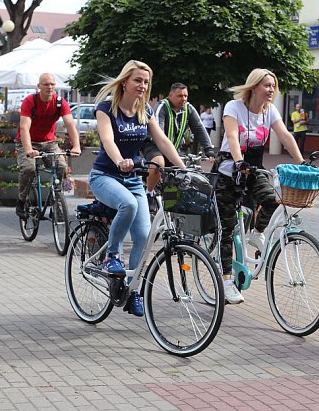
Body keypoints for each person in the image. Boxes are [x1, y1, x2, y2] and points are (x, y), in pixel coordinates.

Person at [89, 60, 185, 317]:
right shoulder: (106, 108)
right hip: (105, 175)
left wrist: (183, 167)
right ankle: (112, 255)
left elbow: (162, 141)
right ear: (124, 82)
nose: (142, 86)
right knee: (128, 205)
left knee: (144, 238)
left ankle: (133, 292)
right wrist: (120, 159)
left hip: (132, 179)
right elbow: (107, 139)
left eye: (146, 81)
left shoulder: (146, 111)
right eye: (137, 80)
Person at [213, 68, 306, 305]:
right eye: (267, 85)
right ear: (254, 86)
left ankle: (256, 232)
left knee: (273, 200)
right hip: (229, 170)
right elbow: (232, 136)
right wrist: (237, 161)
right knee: (227, 228)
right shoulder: (234, 107)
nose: (271, 90)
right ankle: (225, 281)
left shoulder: (269, 110)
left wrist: (302, 163)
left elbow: (285, 135)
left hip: (254, 169)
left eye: (273, 86)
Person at [15, 73, 81, 217]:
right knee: (29, 168)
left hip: (49, 142)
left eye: (52, 84)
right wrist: (28, 149)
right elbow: (24, 127)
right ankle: (21, 201)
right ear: (39, 87)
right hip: (27, 142)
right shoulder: (30, 101)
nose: (49, 87)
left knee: (62, 167)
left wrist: (76, 146)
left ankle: (56, 203)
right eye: (45, 84)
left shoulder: (60, 102)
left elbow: (70, 124)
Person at [142, 83, 215, 211]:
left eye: (186, 95)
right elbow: (158, 133)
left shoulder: (188, 109)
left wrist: (209, 150)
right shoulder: (162, 107)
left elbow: (199, 128)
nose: (184, 98)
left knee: (176, 180)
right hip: (153, 145)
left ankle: (167, 214)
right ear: (170, 96)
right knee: (158, 163)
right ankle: (149, 193)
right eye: (180, 95)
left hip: (171, 149)